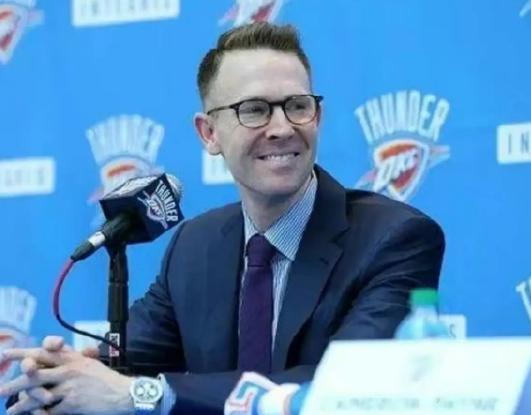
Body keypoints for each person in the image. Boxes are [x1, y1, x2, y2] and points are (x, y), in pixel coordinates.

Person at [1, 22, 445, 415]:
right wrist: (57, 379)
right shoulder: (196, 244)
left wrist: (142, 395)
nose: (282, 127)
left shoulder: (396, 238)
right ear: (209, 133)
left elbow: (346, 387)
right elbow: (125, 366)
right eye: (254, 110)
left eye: (297, 106)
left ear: (318, 116)